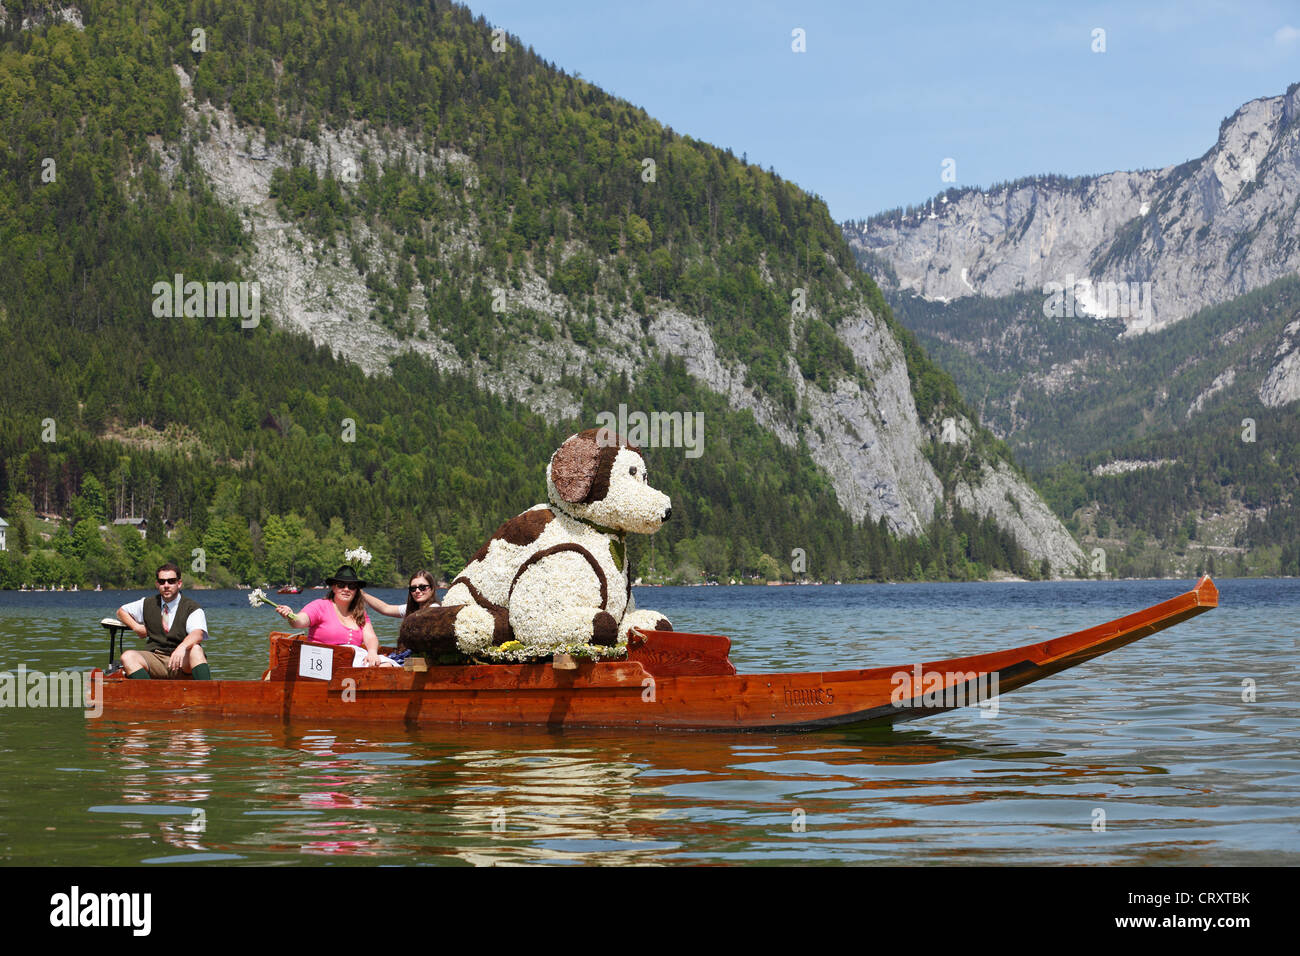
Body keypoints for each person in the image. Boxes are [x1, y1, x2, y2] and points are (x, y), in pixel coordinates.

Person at [274, 565, 396, 668]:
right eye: (341, 585)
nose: (346, 589)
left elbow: (370, 637)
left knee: (386, 665)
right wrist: (291, 615)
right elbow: (300, 621)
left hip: (352, 663)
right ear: (334, 587)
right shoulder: (320, 606)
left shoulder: (359, 612)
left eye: (351, 586)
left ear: (356, 591)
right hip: (322, 663)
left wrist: (372, 652)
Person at [117, 562, 211, 680]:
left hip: (183, 661)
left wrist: (181, 647)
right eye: (162, 582)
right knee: (127, 657)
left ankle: (207, 694)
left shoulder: (192, 607)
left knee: (196, 650)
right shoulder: (147, 603)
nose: (166, 585)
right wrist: (136, 627)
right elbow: (121, 612)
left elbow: (198, 634)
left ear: (179, 583)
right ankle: (151, 695)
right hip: (156, 658)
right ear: (157, 584)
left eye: (171, 581)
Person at [363, 569, 440, 620]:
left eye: (422, 587)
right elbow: (385, 608)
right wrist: (362, 594)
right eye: (413, 588)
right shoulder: (411, 609)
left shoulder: (435, 609)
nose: (417, 591)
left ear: (431, 588)